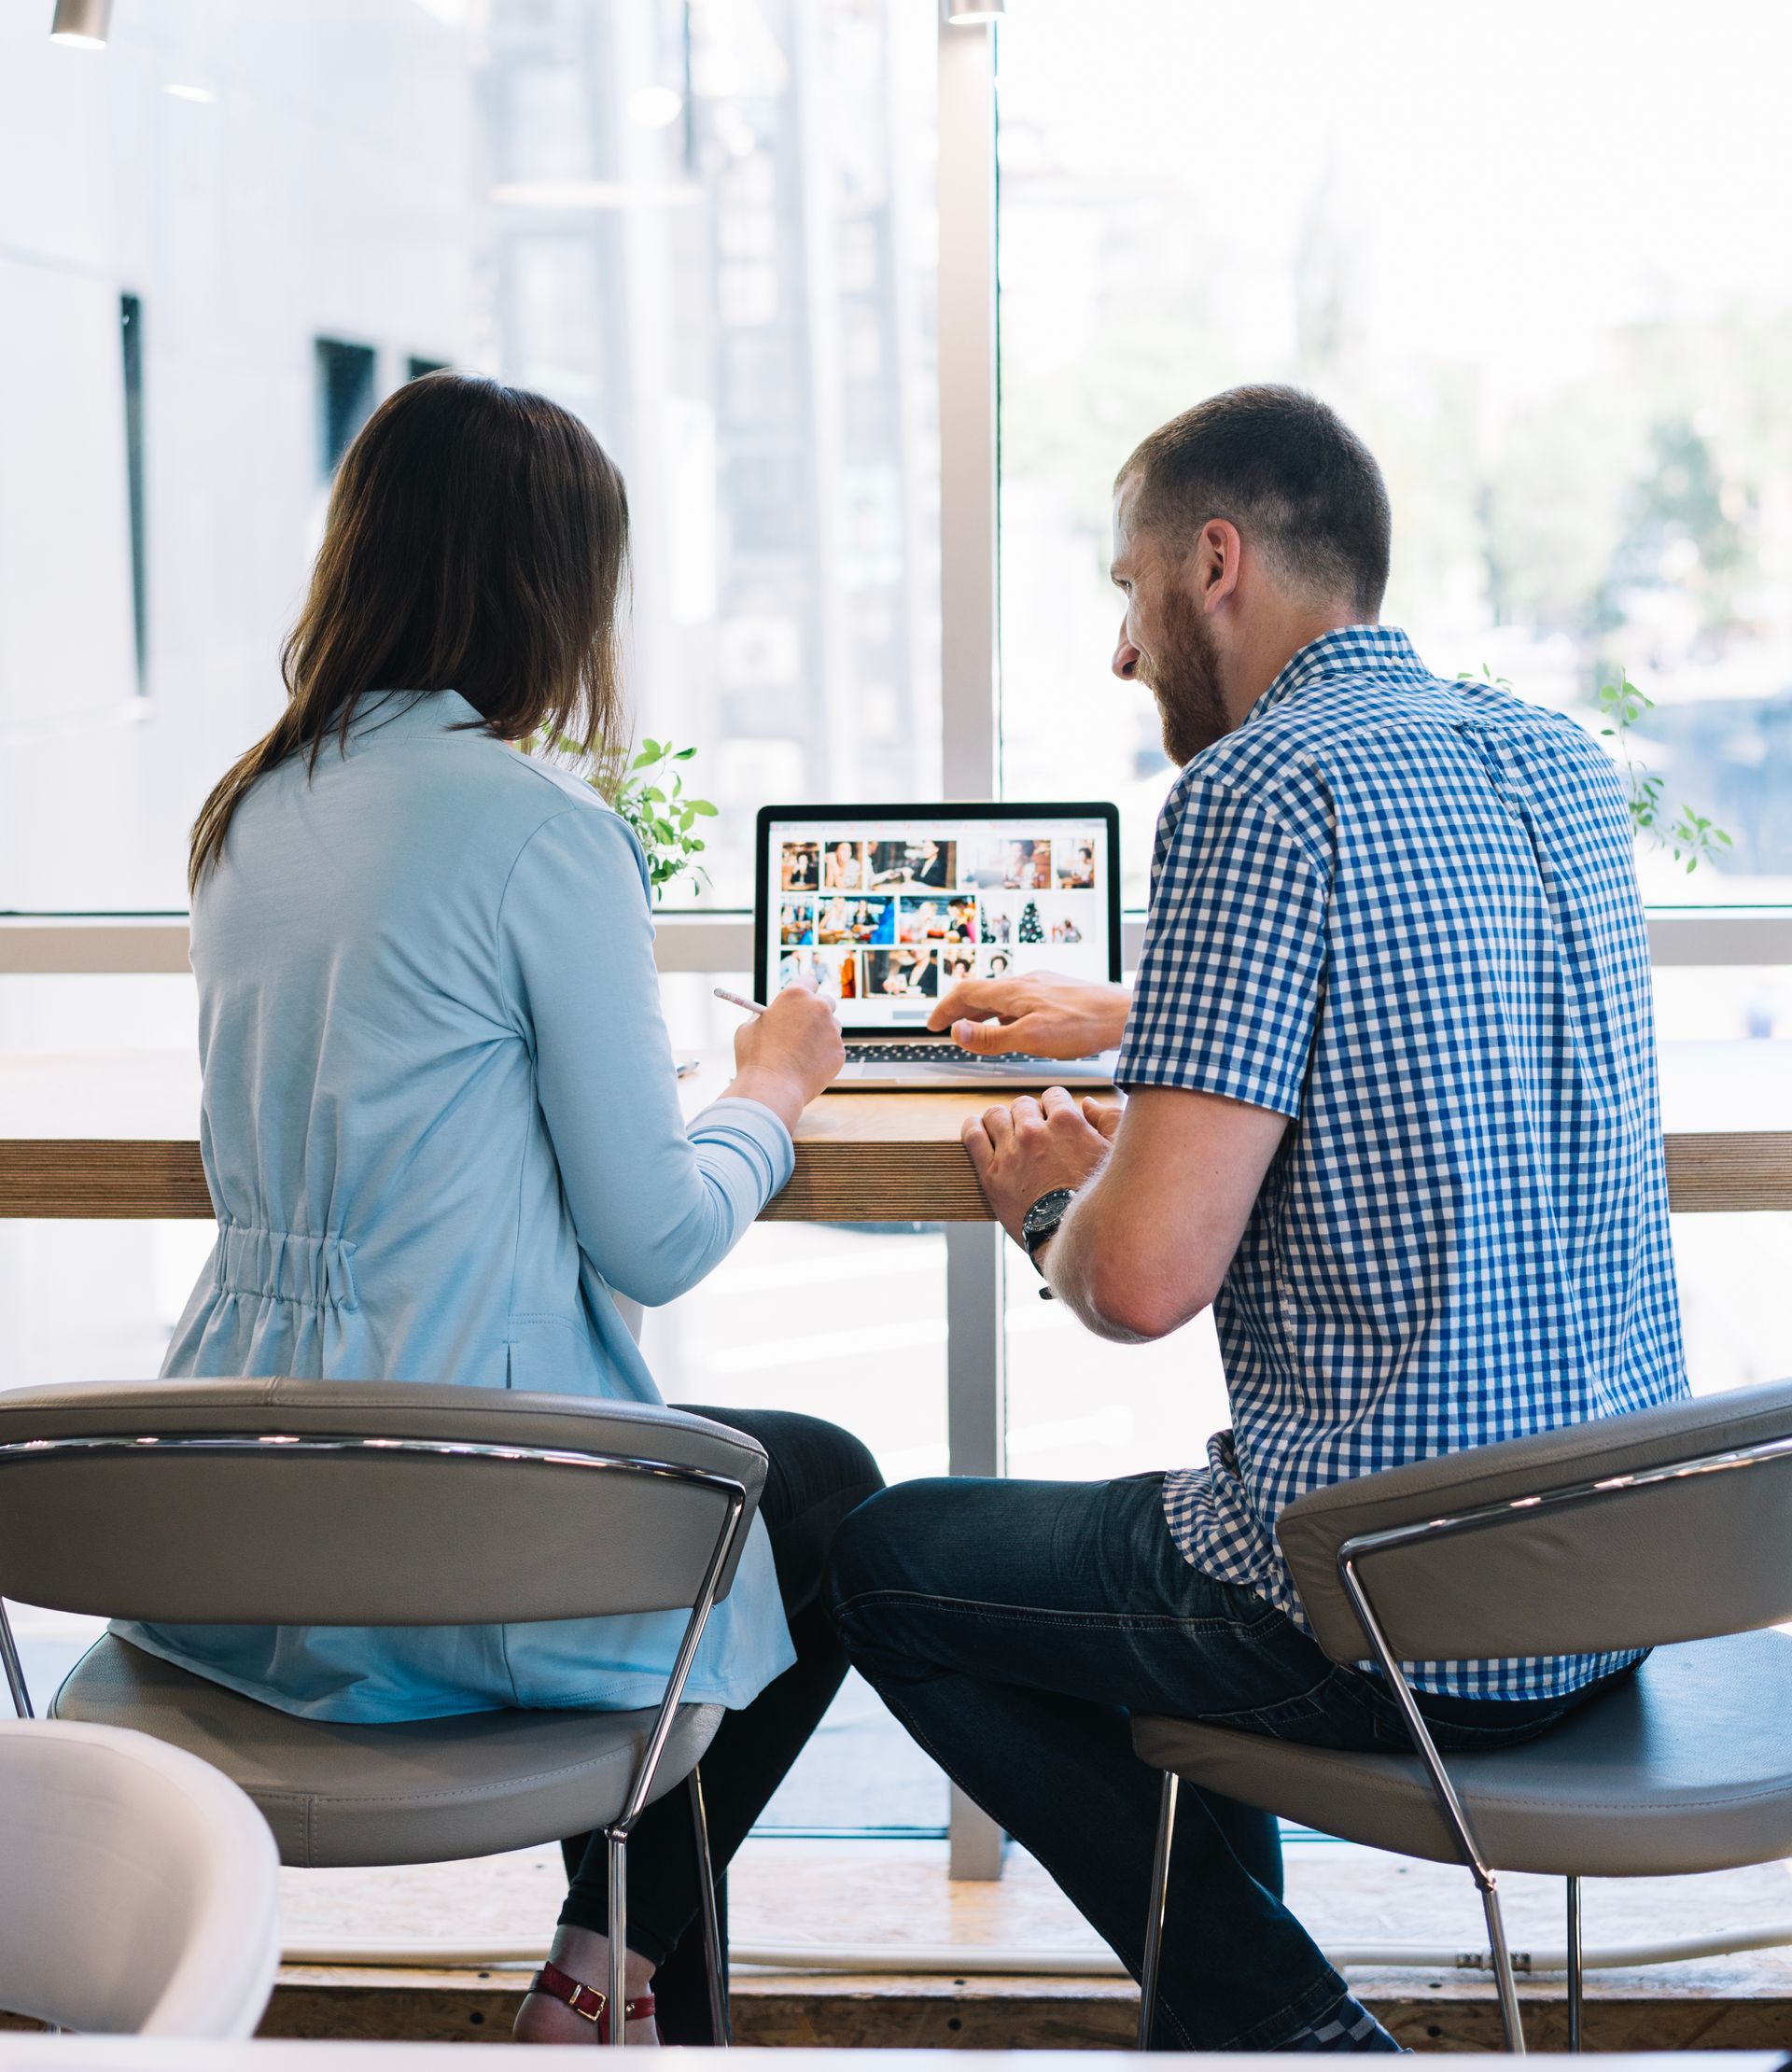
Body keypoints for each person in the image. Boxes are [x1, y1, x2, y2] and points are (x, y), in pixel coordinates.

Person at [827, 383, 1685, 2055]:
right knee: (1124, 1568)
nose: (1125, 655)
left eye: (1127, 592)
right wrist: (1139, 1015)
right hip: (1608, 1585)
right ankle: (1238, 2027)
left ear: (1214, 562)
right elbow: (1419, 1005)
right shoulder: (1558, 766)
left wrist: (1048, 1201)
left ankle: (1277, 2022)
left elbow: (1139, 1285)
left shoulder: (1256, 794)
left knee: (879, 1560)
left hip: (1391, 1617)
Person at [140, 372, 880, 2048]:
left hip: (237, 1511)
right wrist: (769, 1086)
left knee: (664, 1493)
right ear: (552, 590)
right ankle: (606, 1969)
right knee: (815, 1497)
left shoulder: (250, 812)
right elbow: (656, 1238)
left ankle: (608, 1978)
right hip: (441, 1520)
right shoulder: (542, 828)